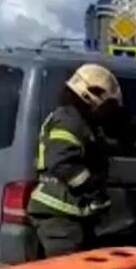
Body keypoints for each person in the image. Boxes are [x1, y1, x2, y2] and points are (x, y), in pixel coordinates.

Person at [27, 63, 121, 257]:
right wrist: (92, 189)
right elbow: (62, 162)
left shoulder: (78, 121)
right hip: (59, 216)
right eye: (107, 104)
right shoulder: (69, 119)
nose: (106, 111)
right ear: (90, 95)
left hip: (68, 216)